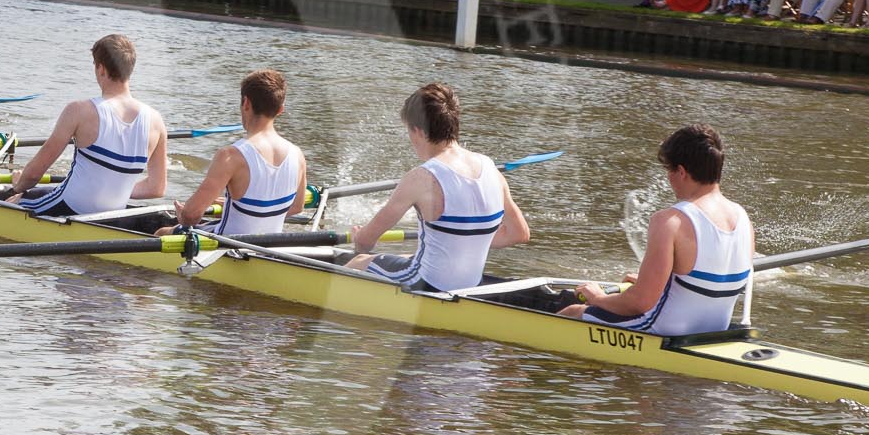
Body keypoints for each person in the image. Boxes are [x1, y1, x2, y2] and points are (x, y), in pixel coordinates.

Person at [560, 125, 752, 335]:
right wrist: (657, 284)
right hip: (716, 331)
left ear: (681, 172)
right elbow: (706, 282)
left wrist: (598, 297)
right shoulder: (743, 218)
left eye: (669, 171)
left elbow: (640, 302)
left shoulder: (670, 221)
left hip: (662, 331)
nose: (669, 179)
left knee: (573, 312)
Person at [348, 83, 530, 292]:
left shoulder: (421, 178)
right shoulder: (491, 169)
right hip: (471, 286)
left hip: (427, 284)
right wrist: (466, 242)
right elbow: (519, 233)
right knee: (405, 257)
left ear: (417, 131)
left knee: (358, 262)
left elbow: (367, 240)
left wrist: (358, 240)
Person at [9, 34, 168, 217]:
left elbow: (34, 174)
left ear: (101, 69)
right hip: (111, 216)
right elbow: (156, 188)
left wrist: (17, 186)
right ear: (130, 69)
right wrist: (111, 190)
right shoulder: (156, 122)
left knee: (13, 201)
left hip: (68, 207)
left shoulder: (79, 110)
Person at [173, 69, 305, 235]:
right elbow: (297, 207)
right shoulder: (297, 155)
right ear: (280, 109)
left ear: (246, 103)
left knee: (162, 231)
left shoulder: (230, 156)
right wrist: (235, 207)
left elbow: (191, 216)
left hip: (227, 245)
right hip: (270, 245)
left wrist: (182, 215)